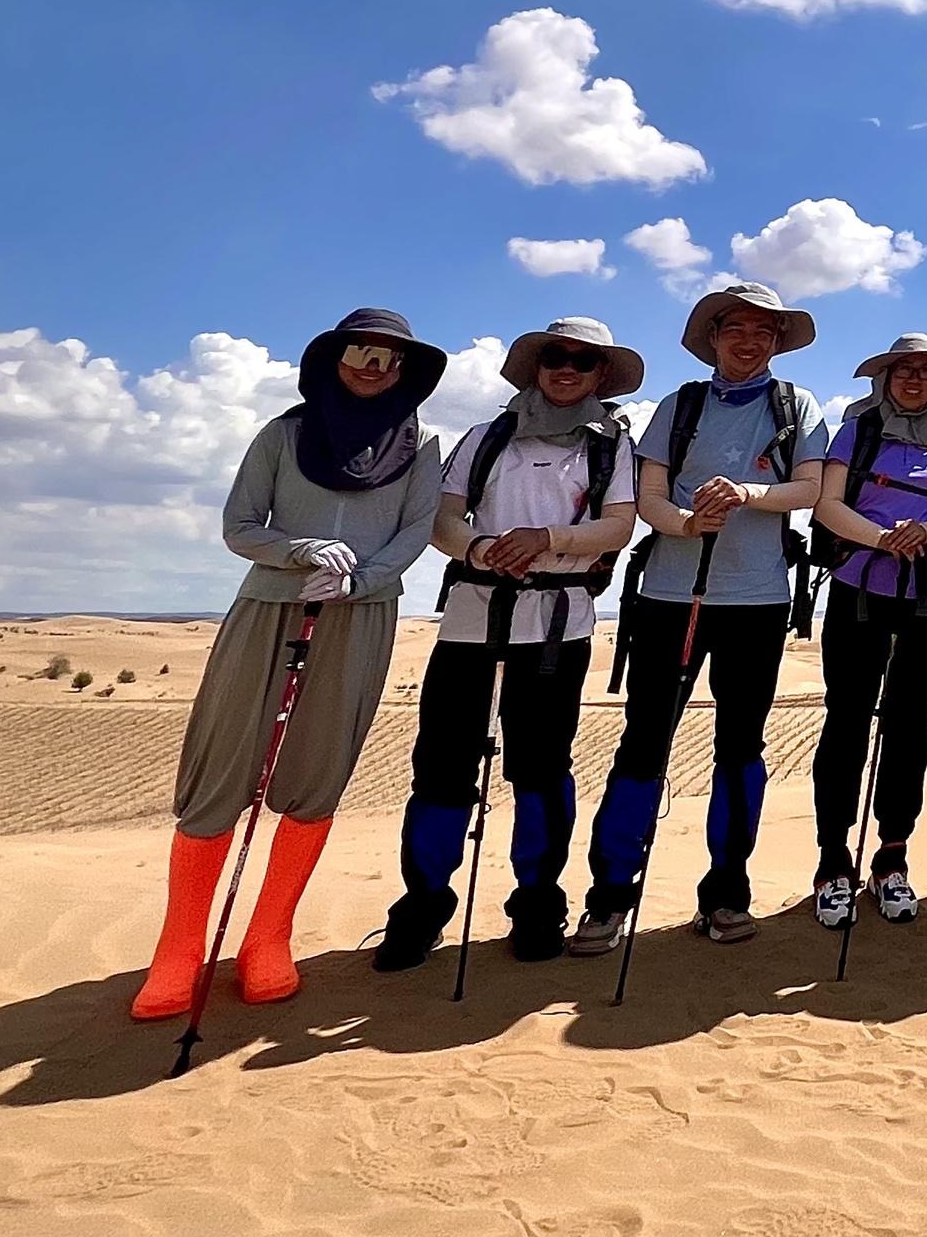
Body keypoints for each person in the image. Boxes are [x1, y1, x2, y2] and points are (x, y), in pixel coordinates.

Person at [132, 308, 445, 1019]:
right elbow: (240, 526)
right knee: (221, 766)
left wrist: (361, 581)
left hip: (361, 614)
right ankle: (179, 949)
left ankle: (268, 939)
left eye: (389, 358)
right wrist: (299, 551)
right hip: (270, 605)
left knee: (318, 769)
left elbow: (413, 532)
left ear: (405, 370)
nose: (373, 368)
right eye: (360, 352)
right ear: (334, 358)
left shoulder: (421, 444)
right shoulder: (282, 434)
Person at [568, 283, 830, 954]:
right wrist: (687, 522)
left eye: (764, 331)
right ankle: (609, 896)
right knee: (644, 743)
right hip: (670, 596)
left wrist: (747, 492)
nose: (750, 341)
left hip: (758, 601)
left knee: (741, 748)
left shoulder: (797, 405)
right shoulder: (679, 405)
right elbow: (648, 497)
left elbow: (810, 489)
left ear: (778, 342)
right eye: (736, 328)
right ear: (713, 337)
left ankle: (726, 892)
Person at [379, 317, 641, 970]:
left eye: (583, 360)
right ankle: (422, 908)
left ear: (601, 375)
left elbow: (618, 527)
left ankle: (538, 905)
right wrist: (480, 549)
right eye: (556, 355)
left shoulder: (611, 446)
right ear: (536, 364)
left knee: (542, 770)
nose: (567, 368)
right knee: (441, 768)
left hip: (556, 628)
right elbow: (443, 518)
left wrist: (546, 540)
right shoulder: (485, 436)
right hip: (471, 620)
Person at [810, 333, 927, 929]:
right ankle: (833, 860)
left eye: (926, 373)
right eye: (903, 370)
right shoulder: (856, 432)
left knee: (910, 726)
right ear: (885, 379)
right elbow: (828, 504)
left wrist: (924, 534)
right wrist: (883, 538)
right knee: (847, 720)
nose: (914, 380)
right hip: (857, 589)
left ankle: (892, 855)